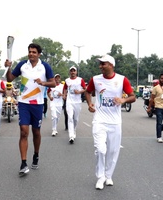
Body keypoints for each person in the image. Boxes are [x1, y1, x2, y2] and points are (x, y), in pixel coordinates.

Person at [85, 54, 135, 190]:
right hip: (99, 120)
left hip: (115, 122)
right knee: (100, 149)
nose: (100, 66)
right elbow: (87, 91)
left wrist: (123, 100)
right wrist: (90, 104)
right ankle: (100, 177)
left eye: (103, 64)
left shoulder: (122, 80)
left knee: (113, 151)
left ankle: (108, 176)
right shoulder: (95, 79)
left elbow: (132, 97)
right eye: (100, 64)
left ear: (111, 65)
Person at [4, 43, 56, 176]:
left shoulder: (45, 66)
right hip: (24, 102)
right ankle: (23, 163)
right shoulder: (22, 65)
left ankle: (36, 154)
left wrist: (43, 83)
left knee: (36, 132)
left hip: (38, 103)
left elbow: (53, 83)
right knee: (24, 131)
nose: (31, 54)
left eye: (34, 52)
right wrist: (8, 68)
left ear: (38, 54)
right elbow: (10, 78)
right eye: (30, 51)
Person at [63, 66, 86, 144]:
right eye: (71, 71)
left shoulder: (80, 80)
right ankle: (71, 136)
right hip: (69, 101)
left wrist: (79, 92)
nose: (72, 72)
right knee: (70, 117)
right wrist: (64, 95)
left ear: (76, 72)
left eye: (74, 71)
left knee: (75, 119)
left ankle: (74, 129)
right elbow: (65, 89)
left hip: (77, 102)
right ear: (70, 72)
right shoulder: (67, 80)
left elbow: (85, 88)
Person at [147, 74, 163, 143]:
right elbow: (152, 98)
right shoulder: (156, 88)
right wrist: (149, 107)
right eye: (162, 78)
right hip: (158, 107)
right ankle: (159, 137)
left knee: (159, 125)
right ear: (159, 79)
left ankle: (159, 129)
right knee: (159, 122)